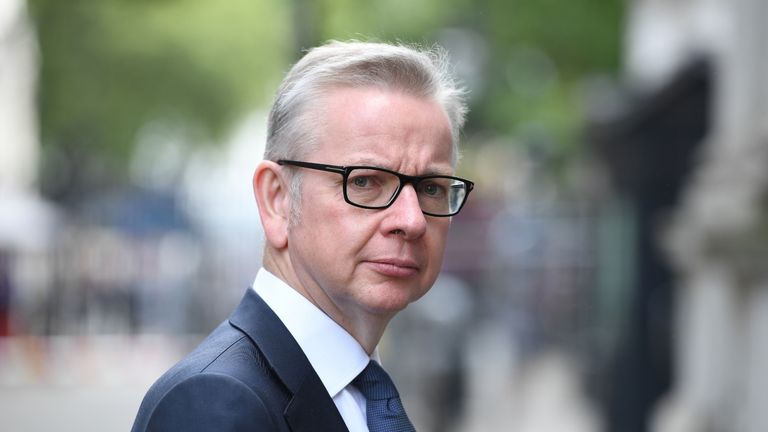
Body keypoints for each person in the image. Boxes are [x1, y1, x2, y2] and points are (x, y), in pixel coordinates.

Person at [131, 39, 474, 432]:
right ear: (276, 200)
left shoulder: (358, 392)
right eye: (364, 182)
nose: (411, 220)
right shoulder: (216, 405)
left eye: (432, 188)